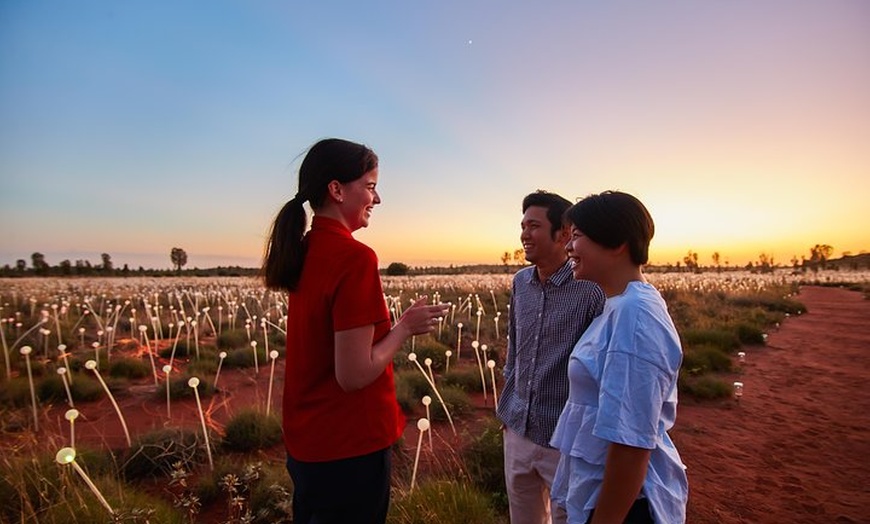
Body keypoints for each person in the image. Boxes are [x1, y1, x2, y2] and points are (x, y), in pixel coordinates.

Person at [262, 138, 449, 524]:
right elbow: (354, 374)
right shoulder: (354, 258)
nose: (376, 198)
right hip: (348, 446)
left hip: (309, 443)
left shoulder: (305, 250)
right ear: (336, 189)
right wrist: (404, 328)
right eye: (369, 186)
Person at [549, 190, 689, 524]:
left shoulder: (635, 315)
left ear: (616, 244)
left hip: (624, 507)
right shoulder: (619, 305)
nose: (568, 247)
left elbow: (631, 444)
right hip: (601, 493)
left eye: (578, 237)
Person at [497, 190, 606, 524]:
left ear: (562, 234)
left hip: (565, 440)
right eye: (522, 226)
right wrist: (508, 406)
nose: (524, 234)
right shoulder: (521, 283)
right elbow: (515, 345)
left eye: (534, 226)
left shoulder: (591, 289)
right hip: (517, 427)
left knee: (567, 518)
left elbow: (601, 367)